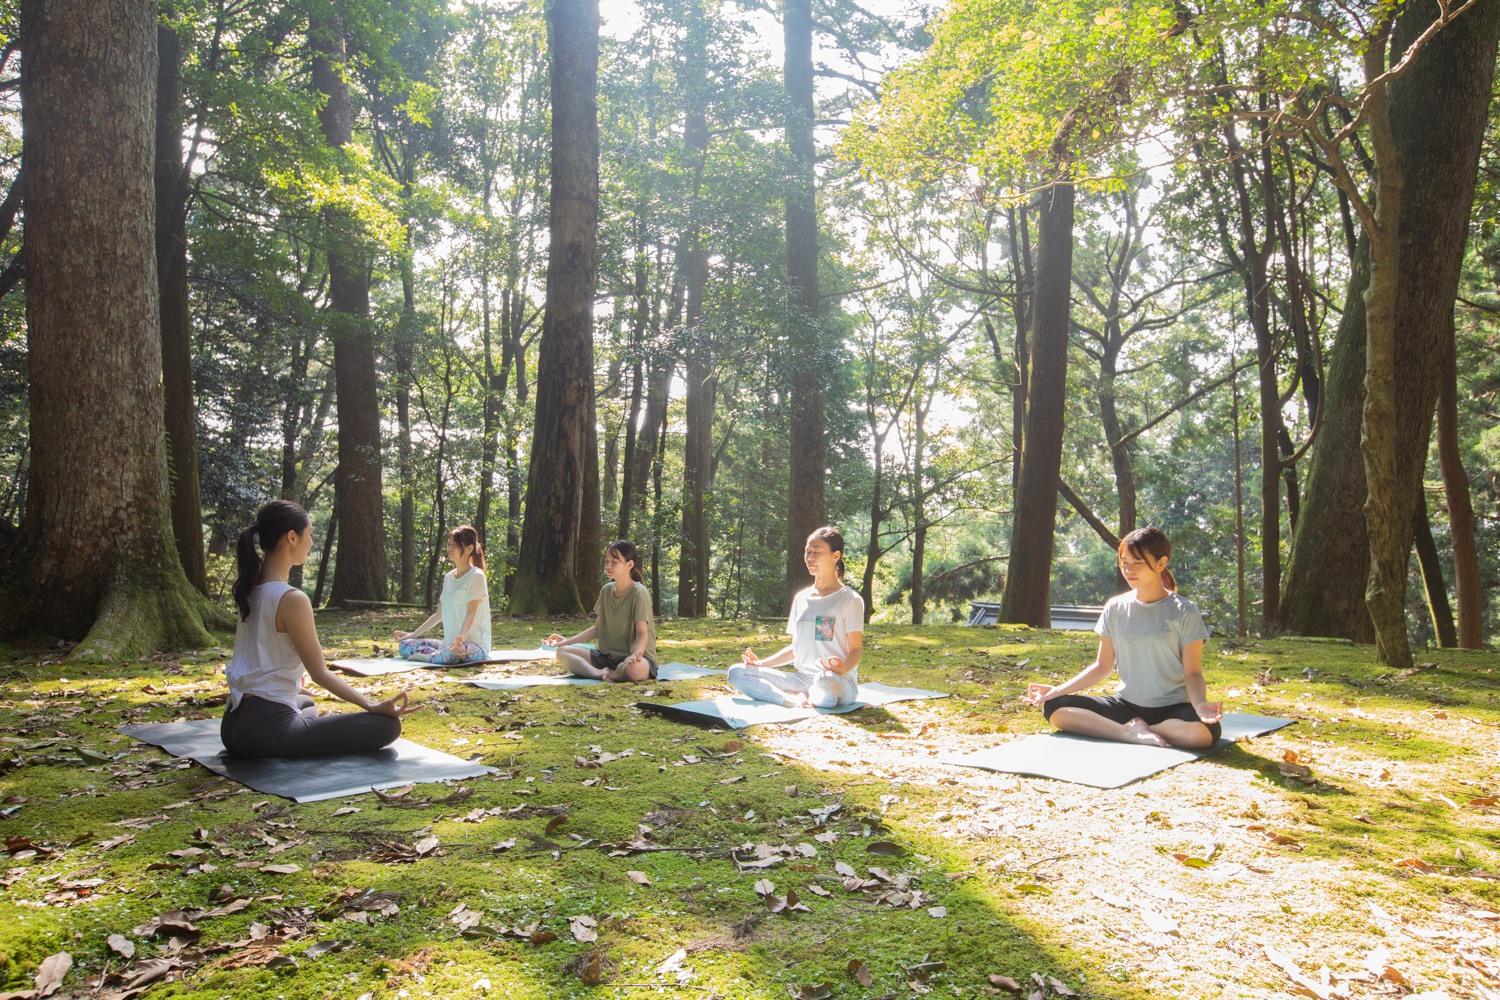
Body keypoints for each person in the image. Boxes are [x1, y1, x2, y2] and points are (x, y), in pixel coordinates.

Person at [221, 500, 421, 758]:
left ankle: (295, 718)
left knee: (305, 701)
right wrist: (371, 705)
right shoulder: (291, 598)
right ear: (292, 537)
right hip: (266, 732)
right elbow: (320, 673)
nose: (312, 543)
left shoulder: (249, 589)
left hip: (233, 725)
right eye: (310, 535)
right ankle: (297, 727)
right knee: (387, 726)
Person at [1021, 526, 1221, 748]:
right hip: (1125, 705)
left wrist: (1200, 704)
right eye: (1124, 562)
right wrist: (1057, 690)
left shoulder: (1185, 611)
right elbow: (1102, 666)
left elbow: (1192, 673)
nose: (1129, 570)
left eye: (1138, 563)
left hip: (1172, 709)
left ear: (1161, 563)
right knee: (1054, 708)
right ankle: (1129, 734)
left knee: (1203, 733)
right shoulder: (1115, 607)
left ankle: (1143, 729)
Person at [729, 526, 865, 709]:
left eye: (817, 552)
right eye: (807, 552)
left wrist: (843, 668)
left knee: (824, 682)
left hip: (836, 679)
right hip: (801, 679)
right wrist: (759, 663)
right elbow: (796, 649)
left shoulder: (850, 600)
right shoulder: (801, 598)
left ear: (835, 556)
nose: (810, 557)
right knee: (737, 672)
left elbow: (856, 650)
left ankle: (815, 696)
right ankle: (791, 700)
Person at [544, 540, 659, 682]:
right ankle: (598, 673)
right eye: (607, 561)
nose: (608, 566)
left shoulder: (639, 593)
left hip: (635, 659)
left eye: (614, 562)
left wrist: (637, 653)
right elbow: (597, 628)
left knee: (633, 670)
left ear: (629, 564)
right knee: (562, 652)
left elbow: (642, 632)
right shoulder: (606, 590)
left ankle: (616, 673)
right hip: (607, 658)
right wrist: (566, 641)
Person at [392, 525, 492, 665]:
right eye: (449, 544)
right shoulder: (449, 578)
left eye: (455, 545)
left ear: (469, 548)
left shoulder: (476, 576)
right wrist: (412, 634)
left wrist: (460, 638)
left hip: (473, 646)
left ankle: (432, 657)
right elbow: (439, 615)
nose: (450, 548)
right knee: (405, 645)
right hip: (449, 645)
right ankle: (439, 655)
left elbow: (471, 613)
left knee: (455, 652)